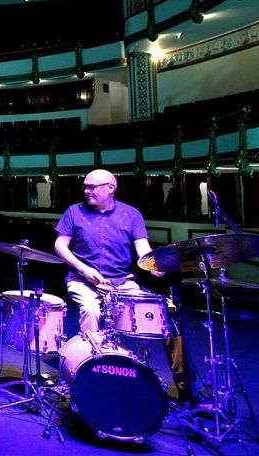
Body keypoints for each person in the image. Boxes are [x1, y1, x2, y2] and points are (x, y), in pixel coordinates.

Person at [54, 169, 192, 402]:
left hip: (122, 282)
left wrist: (153, 265)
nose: (87, 191)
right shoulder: (73, 212)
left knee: (168, 317)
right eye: (85, 186)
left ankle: (185, 387)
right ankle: (91, 380)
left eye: (92, 187)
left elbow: (143, 250)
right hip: (83, 281)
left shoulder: (131, 214)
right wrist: (83, 269)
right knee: (91, 311)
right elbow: (60, 245)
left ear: (111, 187)